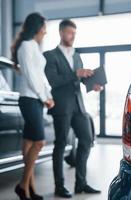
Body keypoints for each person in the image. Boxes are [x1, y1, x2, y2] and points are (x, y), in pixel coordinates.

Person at [44, 19, 102, 198]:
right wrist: (76, 74)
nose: (73, 37)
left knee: (86, 140)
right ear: (61, 33)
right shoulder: (50, 55)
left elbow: (79, 80)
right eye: (70, 33)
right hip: (61, 106)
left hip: (78, 105)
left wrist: (91, 84)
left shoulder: (77, 56)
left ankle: (81, 183)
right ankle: (59, 186)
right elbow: (53, 81)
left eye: (75, 34)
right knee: (60, 144)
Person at [11, 12, 54, 200]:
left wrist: (48, 95)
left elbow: (40, 75)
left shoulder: (35, 46)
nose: (46, 31)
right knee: (39, 142)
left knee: (29, 142)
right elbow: (29, 75)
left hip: (36, 99)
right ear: (37, 27)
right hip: (29, 99)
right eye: (44, 27)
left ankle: (29, 189)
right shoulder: (26, 47)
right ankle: (22, 185)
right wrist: (42, 97)